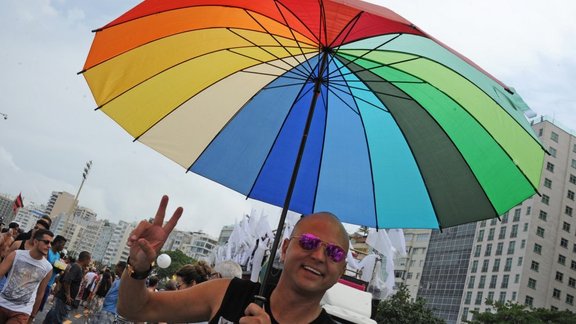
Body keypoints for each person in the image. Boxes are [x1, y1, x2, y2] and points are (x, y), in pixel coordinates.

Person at [117, 195, 348, 323]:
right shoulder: (226, 293)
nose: (318, 256)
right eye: (309, 242)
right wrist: (138, 268)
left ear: (341, 270)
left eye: (334, 252)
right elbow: (136, 309)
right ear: (285, 248)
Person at [0, 229, 54, 323]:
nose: (49, 246)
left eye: (50, 243)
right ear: (36, 241)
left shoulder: (48, 268)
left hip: (22, 312)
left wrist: (32, 315)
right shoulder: (16, 254)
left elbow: (40, 294)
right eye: (46, 242)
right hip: (2, 303)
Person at [43, 251, 91, 323]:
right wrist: (68, 295)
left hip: (63, 298)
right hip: (64, 299)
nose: (90, 262)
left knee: (53, 316)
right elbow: (67, 281)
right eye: (89, 260)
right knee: (58, 318)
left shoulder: (78, 267)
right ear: (86, 259)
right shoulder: (76, 267)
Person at [38, 235, 67, 312]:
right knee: (35, 302)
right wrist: (54, 264)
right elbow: (43, 264)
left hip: (49, 283)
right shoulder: (48, 251)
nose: (63, 247)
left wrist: (60, 269)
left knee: (40, 305)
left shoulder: (58, 255)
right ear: (57, 243)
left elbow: (56, 267)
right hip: (41, 281)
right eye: (63, 244)